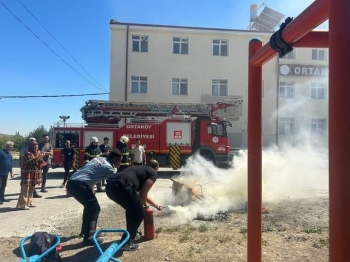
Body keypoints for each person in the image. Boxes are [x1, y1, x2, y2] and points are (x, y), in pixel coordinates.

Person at [66, 150, 122, 247]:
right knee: (95, 209)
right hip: (79, 185)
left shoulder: (99, 159)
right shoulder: (108, 167)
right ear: (114, 159)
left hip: (72, 182)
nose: (119, 163)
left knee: (89, 207)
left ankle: (85, 232)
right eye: (119, 160)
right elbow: (116, 179)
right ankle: (89, 238)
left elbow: (89, 172)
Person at [105, 160, 163, 251]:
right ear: (156, 168)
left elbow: (143, 193)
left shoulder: (141, 170)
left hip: (110, 187)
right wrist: (145, 205)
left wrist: (155, 205)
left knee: (132, 209)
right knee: (139, 213)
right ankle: (126, 242)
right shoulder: (153, 173)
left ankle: (131, 233)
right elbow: (144, 192)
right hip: (122, 186)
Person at [16, 140, 46, 210]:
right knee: (25, 188)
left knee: (32, 188)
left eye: (37, 147)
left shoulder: (38, 153)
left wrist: (41, 158)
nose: (36, 148)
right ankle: (22, 204)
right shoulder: (27, 153)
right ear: (31, 147)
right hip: (27, 172)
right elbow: (30, 161)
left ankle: (29, 202)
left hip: (35, 172)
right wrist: (39, 157)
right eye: (34, 147)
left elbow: (40, 162)